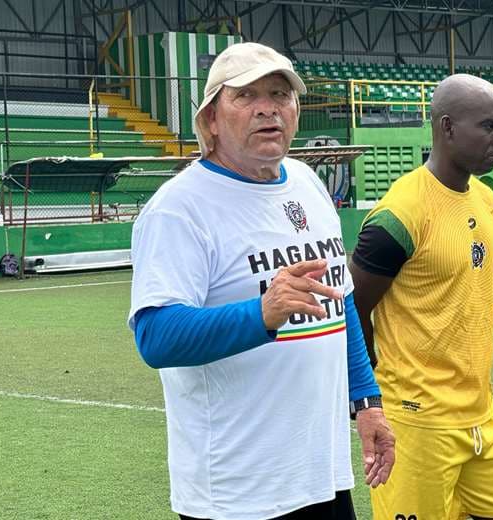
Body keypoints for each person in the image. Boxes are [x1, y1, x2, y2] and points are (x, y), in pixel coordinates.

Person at [127, 42, 394, 520]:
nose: (267, 108)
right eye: (246, 95)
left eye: (280, 94)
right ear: (211, 119)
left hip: (322, 476)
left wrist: (367, 400)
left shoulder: (306, 182)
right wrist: (262, 313)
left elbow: (341, 303)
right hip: (236, 493)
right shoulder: (179, 208)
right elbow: (155, 337)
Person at [349, 74, 493, 520]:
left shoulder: (486, 200)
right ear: (447, 127)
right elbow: (352, 308)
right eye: (489, 126)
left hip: (481, 416)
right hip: (416, 423)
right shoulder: (400, 214)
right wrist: (376, 393)